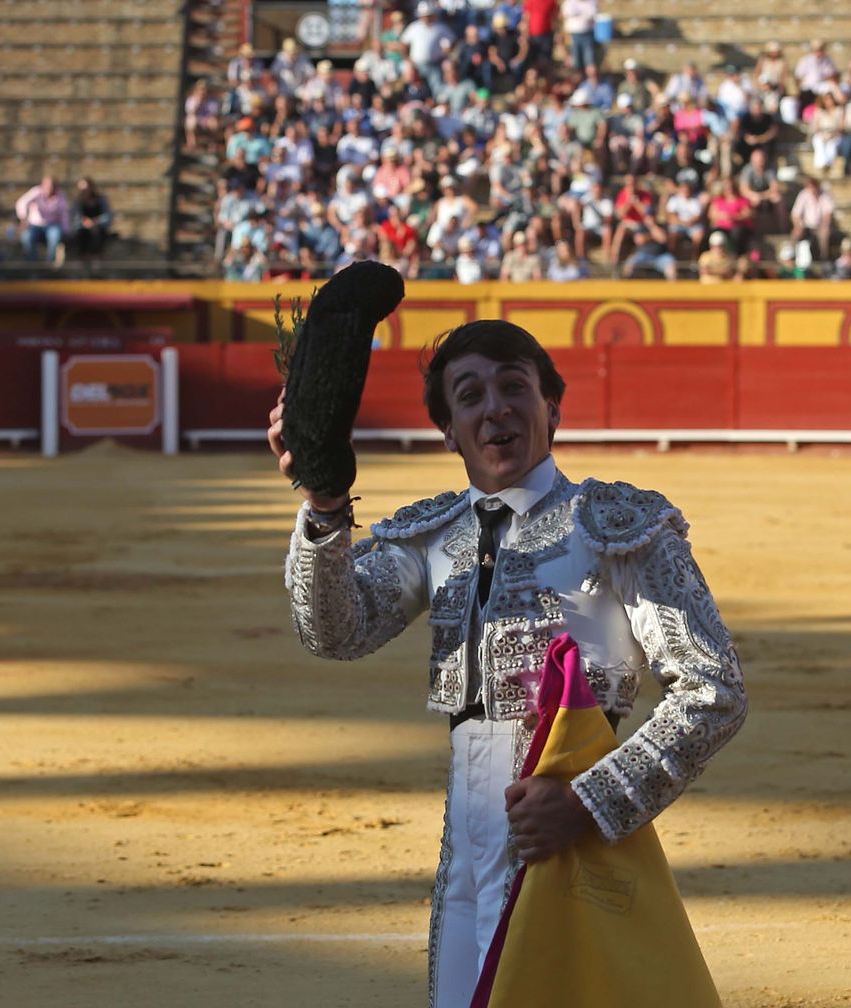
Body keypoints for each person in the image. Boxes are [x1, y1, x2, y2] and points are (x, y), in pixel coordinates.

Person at [272, 317, 746, 1008]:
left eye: (513, 386)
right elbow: (336, 630)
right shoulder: (433, 533)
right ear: (449, 431)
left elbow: (714, 689)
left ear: (551, 407)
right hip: (466, 840)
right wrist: (323, 505)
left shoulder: (615, 525)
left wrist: (589, 801)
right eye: (469, 395)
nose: (494, 407)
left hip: (572, 836)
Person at [15, 175, 69, 265]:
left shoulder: (61, 195)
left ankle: (49, 263)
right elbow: (21, 202)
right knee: (26, 237)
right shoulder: (36, 191)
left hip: (52, 225)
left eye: (51, 186)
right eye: (47, 185)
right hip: (35, 225)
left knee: (55, 236)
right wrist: (23, 218)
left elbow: (64, 214)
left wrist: (66, 230)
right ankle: (33, 263)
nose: (49, 188)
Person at [788, 176, 835, 264]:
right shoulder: (803, 194)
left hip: (820, 226)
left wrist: (824, 225)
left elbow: (828, 214)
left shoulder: (825, 195)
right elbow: (795, 214)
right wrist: (798, 225)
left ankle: (823, 258)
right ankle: (791, 255)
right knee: (796, 232)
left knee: (825, 232)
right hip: (805, 226)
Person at [71, 177, 113, 274]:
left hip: (98, 227)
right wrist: (85, 221)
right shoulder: (78, 201)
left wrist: (95, 221)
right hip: (82, 228)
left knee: (96, 231)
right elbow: (76, 217)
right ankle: (82, 257)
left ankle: (96, 257)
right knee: (80, 232)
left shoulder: (101, 200)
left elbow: (107, 216)